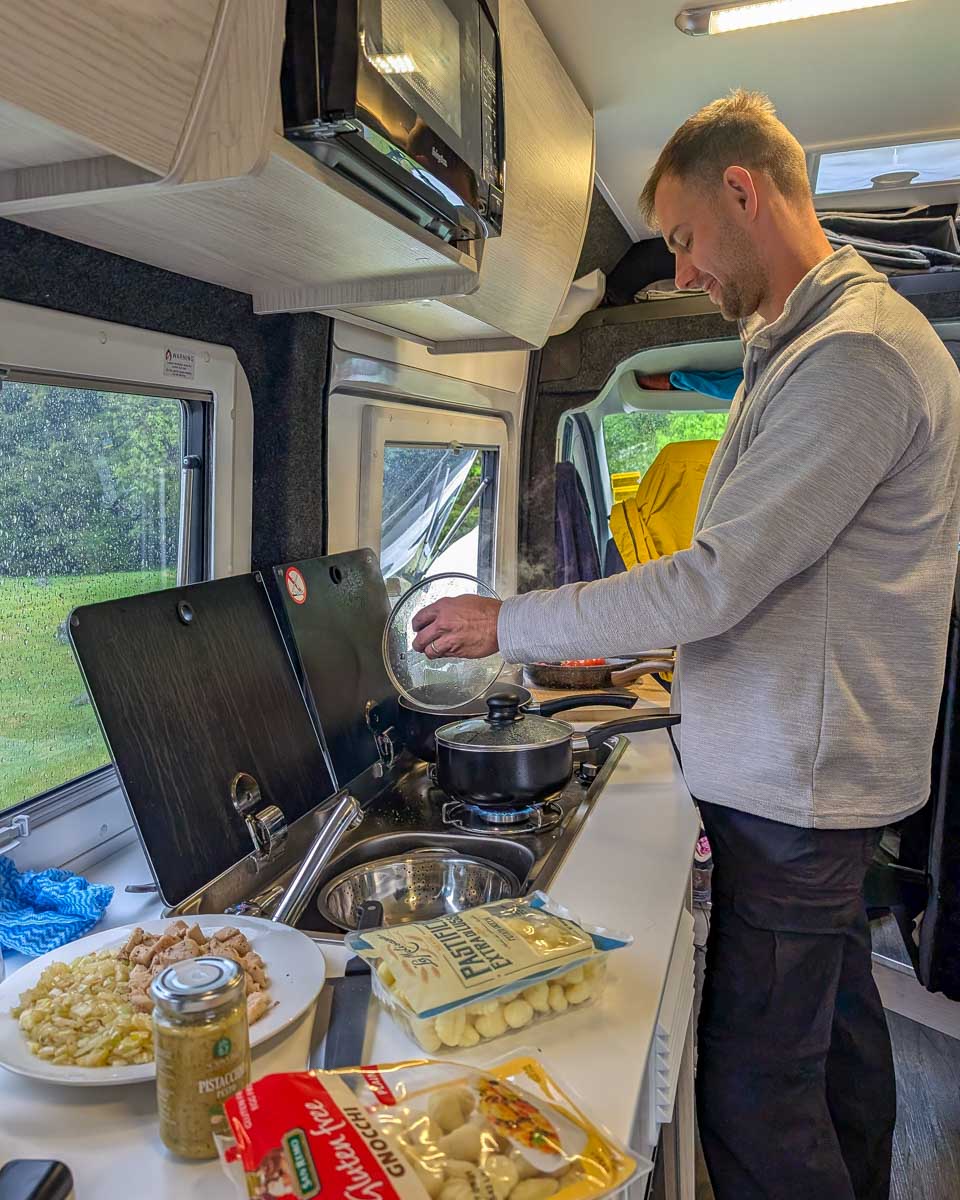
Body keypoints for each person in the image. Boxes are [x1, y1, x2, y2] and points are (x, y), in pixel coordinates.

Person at [411, 90, 960, 1200]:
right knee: (836, 1046)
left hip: (797, 792)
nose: (681, 269)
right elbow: (761, 579)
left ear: (743, 191)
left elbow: (714, 580)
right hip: (804, 779)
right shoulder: (797, 345)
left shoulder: (854, 356)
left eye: (683, 236)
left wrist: (510, 623)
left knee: (756, 1096)